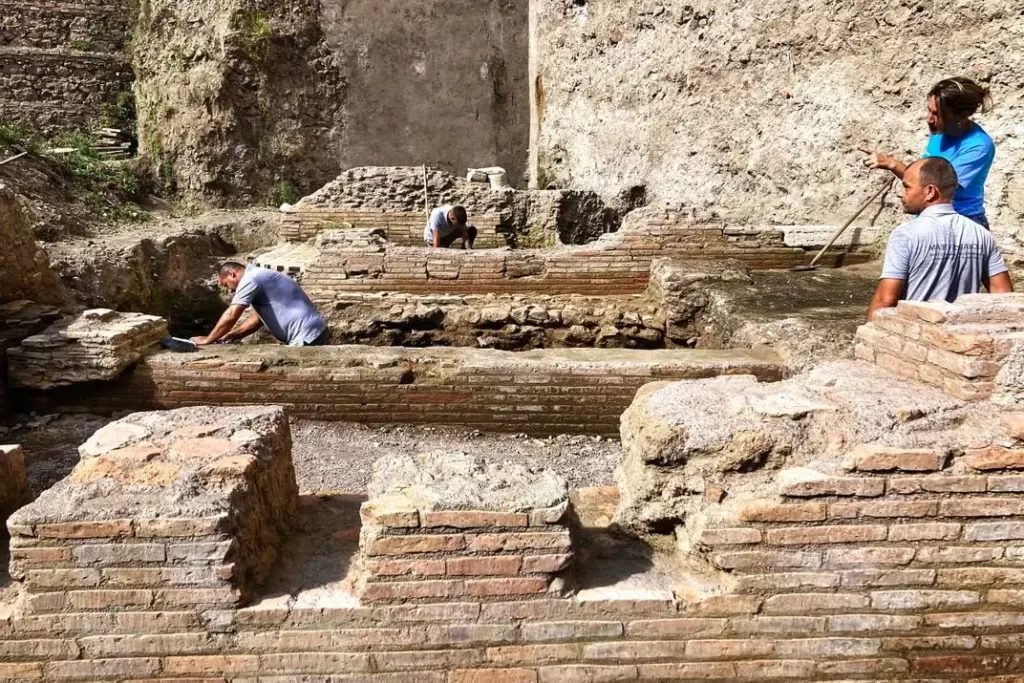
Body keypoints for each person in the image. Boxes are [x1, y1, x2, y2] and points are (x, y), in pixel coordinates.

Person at [866, 158, 1012, 321]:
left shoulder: (906, 235)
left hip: (918, 337)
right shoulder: (981, 234)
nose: (900, 193)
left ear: (930, 191)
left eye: (906, 186)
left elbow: (885, 302)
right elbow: (1004, 296)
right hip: (960, 337)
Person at [859, 76, 995, 228]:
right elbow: (924, 178)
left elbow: (936, 189)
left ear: (959, 116)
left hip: (961, 223)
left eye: (937, 114)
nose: (929, 119)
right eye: (929, 110)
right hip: (930, 218)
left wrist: (892, 164)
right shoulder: (939, 132)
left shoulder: (978, 146)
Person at [191, 262, 330, 346]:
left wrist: (208, 339)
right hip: (312, 332)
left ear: (231, 274)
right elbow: (256, 319)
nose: (230, 290)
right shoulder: (259, 276)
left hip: (306, 335)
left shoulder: (251, 279)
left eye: (226, 284)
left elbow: (232, 314)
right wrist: (231, 335)